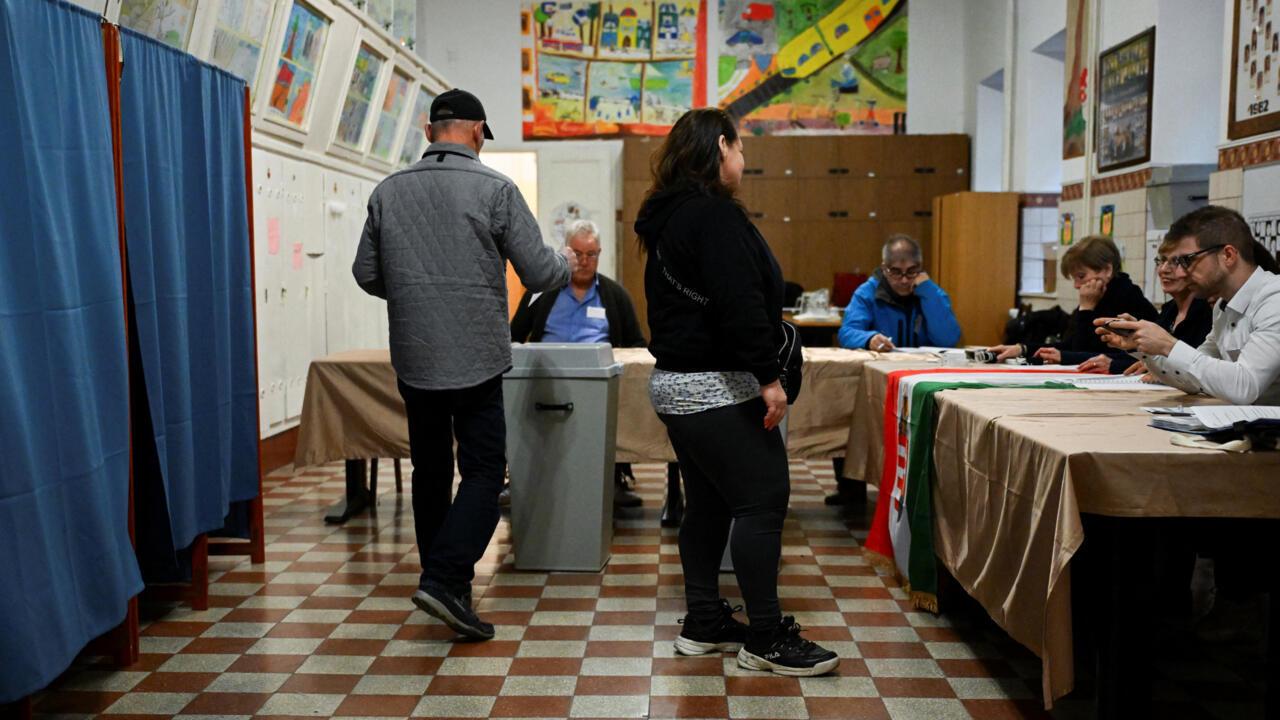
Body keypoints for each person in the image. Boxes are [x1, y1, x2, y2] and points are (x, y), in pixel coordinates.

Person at [352, 88, 575, 640]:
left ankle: (443, 586)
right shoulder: (496, 189)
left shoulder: (388, 191)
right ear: (478, 132)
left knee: (429, 471)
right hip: (477, 356)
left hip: (415, 356)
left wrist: (415, 296)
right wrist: (566, 262)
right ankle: (447, 578)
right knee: (483, 470)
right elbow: (540, 272)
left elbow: (366, 273)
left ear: (429, 131)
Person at [635, 107, 838, 676]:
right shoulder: (714, 215)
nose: (744, 159)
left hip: (677, 385)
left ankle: (705, 621)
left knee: (710, 503)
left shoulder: (669, 215)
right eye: (741, 147)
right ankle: (766, 638)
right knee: (764, 499)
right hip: (717, 387)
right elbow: (740, 303)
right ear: (721, 146)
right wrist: (769, 379)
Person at [509, 218, 647, 509]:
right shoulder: (541, 293)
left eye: (591, 254)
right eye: (578, 253)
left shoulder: (615, 296)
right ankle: (520, 479)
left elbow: (637, 346)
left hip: (597, 386)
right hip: (545, 384)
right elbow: (513, 336)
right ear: (566, 252)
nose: (584, 261)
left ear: (599, 254)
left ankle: (612, 478)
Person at [1095, 205, 1280, 405]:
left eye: (1187, 261)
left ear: (1228, 255)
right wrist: (1143, 348)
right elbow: (1193, 380)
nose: (1181, 273)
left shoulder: (1274, 299)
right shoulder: (1223, 307)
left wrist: (1168, 345)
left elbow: (1245, 386)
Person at [989, 235, 1158, 364]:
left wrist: (1086, 309)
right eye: (1074, 278)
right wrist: (1022, 348)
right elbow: (1069, 343)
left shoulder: (1126, 298)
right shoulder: (1098, 296)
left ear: (1107, 270)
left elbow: (1082, 349)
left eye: (1081, 276)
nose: (1077, 285)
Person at [1077, 234, 1213, 375]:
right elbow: (1152, 360)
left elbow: (1198, 365)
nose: (1163, 269)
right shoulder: (1169, 310)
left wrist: (1116, 363)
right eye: (1162, 260)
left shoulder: (1208, 310)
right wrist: (1134, 343)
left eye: (1177, 262)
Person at [837, 235, 961, 352]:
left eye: (911, 271)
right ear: (884, 269)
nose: (904, 280)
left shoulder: (931, 293)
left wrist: (928, 292)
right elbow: (846, 333)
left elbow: (948, 340)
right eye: (896, 272)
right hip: (881, 364)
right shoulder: (867, 292)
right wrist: (869, 339)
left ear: (920, 267)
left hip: (923, 365)